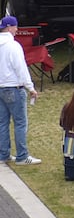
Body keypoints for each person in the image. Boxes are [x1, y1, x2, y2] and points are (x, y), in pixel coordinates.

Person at [0, 15, 40, 164]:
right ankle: (22, 156)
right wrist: (31, 87)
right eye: (15, 27)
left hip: (0, 87)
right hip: (13, 87)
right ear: (10, 27)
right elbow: (21, 69)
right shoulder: (13, 46)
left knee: (2, 122)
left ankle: (3, 154)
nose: (17, 30)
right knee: (20, 122)